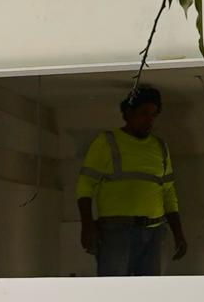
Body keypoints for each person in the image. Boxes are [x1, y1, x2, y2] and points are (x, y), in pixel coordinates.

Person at [76, 83, 183, 274]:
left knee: (149, 289)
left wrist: (178, 233)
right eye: (144, 113)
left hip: (154, 232)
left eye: (153, 115)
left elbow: (168, 192)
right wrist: (87, 225)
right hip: (115, 232)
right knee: (114, 288)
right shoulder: (107, 142)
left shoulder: (160, 146)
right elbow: (85, 185)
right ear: (128, 113)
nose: (149, 120)